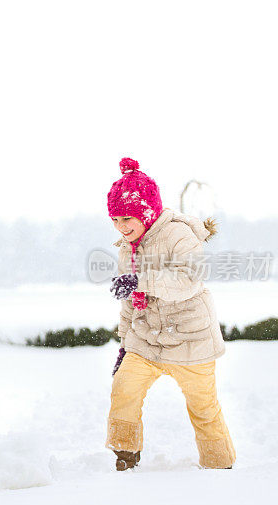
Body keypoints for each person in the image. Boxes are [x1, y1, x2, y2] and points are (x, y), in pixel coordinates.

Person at [106, 157, 236, 470]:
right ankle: (125, 453)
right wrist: (125, 344)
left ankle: (220, 465)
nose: (122, 228)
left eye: (127, 219)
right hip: (147, 339)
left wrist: (142, 280)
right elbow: (129, 300)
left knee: (203, 407)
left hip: (191, 339)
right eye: (115, 220)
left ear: (146, 212)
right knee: (123, 389)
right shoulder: (128, 246)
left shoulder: (179, 235)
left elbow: (188, 280)